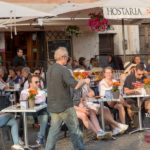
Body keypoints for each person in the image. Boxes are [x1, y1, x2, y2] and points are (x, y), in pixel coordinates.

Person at [46, 47, 90, 150]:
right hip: (65, 105)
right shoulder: (63, 70)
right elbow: (75, 85)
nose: (67, 59)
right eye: (67, 57)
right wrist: (84, 80)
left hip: (53, 105)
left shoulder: (49, 69)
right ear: (63, 57)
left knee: (53, 132)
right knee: (75, 130)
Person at [20, 75, 48, 146]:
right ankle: (21, 137)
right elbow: (24, 100)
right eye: (36, 82)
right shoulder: (24, 91)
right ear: (30, 83)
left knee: (45, 114)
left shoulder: (42, 92)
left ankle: (40, 137)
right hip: (28, 114)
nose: (38, 83)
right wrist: (33, 96)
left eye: (39, 82)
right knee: (44, 115)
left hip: (39, 112)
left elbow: (42, 100)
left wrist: (33, 97)